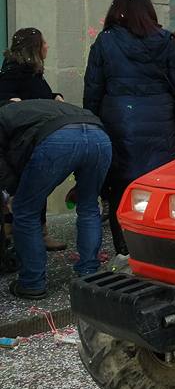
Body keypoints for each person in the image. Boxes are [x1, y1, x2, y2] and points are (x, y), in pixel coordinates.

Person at [83, 0, 175, 256]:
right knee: (160, 186)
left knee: (121, 189)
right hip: (162, 123)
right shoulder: (165, 40)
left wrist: (93, 122)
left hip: (119, 123)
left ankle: (125, 249)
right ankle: (162, 248)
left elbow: (93, 90)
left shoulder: (105, 42)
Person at [1, 100, 112, 299]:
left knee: (25, 212)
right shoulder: (36, 107)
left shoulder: (4, 115)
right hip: (99, 136)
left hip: (58, 138)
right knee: (88, 207)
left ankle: (32, 283)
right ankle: (90, 273)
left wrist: (12, 191)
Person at [0, 28, 66, 251]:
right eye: (43, 42)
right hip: (20, 139)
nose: (47, 45)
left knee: (35, 183)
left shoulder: (33, 71)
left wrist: (53, 96)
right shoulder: (14, 71)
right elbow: (7, 99)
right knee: (22, 185)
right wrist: (12, 101)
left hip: (33, 136)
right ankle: (15, 234)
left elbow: (38, 95)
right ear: (34, 47)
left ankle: (37, 232)